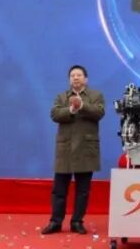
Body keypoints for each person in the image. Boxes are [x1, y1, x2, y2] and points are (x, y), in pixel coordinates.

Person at [43, 65, 105, 235]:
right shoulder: (62, 96)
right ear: (69, 79)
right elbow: (54, 114)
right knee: (59, 189)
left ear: (86, 79)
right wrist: (70, 110)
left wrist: (82, 106)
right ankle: (55, 221)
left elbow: (99, 112)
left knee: (82, 190)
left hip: (86, 147)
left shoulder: (96, 95)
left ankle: (77, 221)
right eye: (72, 75)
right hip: (66, 148)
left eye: (79, 75)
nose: (75, 78)